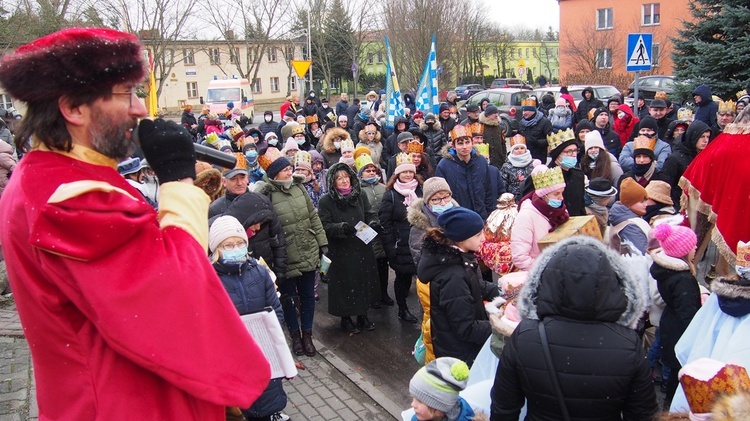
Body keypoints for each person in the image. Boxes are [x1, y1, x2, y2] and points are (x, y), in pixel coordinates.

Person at [0, 27, 271, 419]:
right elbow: (178, 294)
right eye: (126, 93)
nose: (141, 108)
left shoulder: (51, 177)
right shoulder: (70, 198)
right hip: (126, 404)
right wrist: (179, 181)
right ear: (73, 108)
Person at [491, 236, 657, 420]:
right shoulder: (628, 343)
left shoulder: (526, 336)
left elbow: (504, 408)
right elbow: (643, 414)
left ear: (546, 282)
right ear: (612, 285)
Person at [208, 216, 288, 421]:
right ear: (216, 248)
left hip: (263, 348)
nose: (236, 248)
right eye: (228, 244)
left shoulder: (260, 273)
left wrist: (272, 336)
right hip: (232, 354)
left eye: (240, 243)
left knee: (268, 393)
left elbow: (276, 308)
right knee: (242, 403)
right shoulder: (209, 280)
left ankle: (271, 414)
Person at [258, 147, 327, 357]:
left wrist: (322, 242)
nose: (290, 172)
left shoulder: (299, 188)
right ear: (274, 174)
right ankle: (295, 337)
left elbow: (312, 217)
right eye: (285, 170)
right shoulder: (267, 193)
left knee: (307, 296)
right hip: (285, 254)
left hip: (307, 249)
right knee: (288, 298)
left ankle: (307, 335)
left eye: (290, 168)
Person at [417, 207, 500, 365]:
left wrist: (503, 290)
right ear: (461, 238)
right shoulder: (453, 277)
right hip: (461, 356)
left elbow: (476, 286)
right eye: (478, 234)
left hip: (460, 349)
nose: (483, 238)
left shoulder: (457, 259)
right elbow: (466, 328)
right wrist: (500, 326)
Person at [317, 162, 381, 333]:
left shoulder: (359, 195)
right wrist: (340, 228)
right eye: (339, 178)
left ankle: (362, 314)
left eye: (346, 177)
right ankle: (345, 317)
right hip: (340, 248)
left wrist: (374, 222)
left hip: (361, 245)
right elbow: (324, 225)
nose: (344, 181)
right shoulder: (326, 201)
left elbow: (369, 213)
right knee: (343, 284)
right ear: (332, 182)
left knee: (362, 281)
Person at [408, 177, 459, 364]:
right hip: (434, 286)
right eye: (436, 200)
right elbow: (420, 260)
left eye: (446, 197)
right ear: (428, 201)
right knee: (435, 327)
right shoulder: (420, 226)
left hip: (458, 283)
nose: (442, 203)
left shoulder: (457, 217)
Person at [649, 223, 701, 407]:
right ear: (683, 251)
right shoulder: (683, 279)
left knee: (673, 370)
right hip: (679, 329)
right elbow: (688, 313)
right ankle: (672, 406)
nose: (695, 247)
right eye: (692, 245)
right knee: (678, 372)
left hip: (670, 323)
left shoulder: (668, 272)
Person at [380, 153, 423, 323]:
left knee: (423, 278)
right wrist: (391, 247)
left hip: (420, 242)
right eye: (404, 172)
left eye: (410, 172)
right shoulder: (391, 194)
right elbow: (385, 223)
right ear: (397, 174)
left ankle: (426, 308)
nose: (407, 175)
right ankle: (402, 309)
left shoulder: (420, 190)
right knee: (403, 279)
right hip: (401, 243)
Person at [510, 164, 569, 271]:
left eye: (562, 193)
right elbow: (520, 257)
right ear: (543, 195)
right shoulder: (526, 216)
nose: (561, 198)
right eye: (556, 194)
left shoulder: (561, 210)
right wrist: (547, 269)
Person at [356, 152, 393, 308]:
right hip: (367, 233)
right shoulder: (357, 190)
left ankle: (384, 293)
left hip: (383, 231)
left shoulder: (384, 188)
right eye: (367, 170)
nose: (371, 173)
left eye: (373, 170)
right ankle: (373, 295)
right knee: (370, 266)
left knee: (383, 265)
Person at [435, 125, 495, 219]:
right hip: (457, 217)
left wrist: (489, 214)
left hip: (481, 215)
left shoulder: (481, 161)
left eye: (467, 142)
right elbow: (440, 195)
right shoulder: (444, 166)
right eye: (460, 143)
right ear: (454, 146)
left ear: (472, 143)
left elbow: (488, 190)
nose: (464, 147)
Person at [658, 120, 711, 211]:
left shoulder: (706, 157)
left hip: (697, 206)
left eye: (708, 137)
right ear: (693, 137)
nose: (705, 140)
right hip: (678, 205)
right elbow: (665, 185)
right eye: (702, 137)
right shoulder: (675, 159)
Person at [409, 358, 485, 421]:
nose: (413, 404)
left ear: (438, 406)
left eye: (419, 401)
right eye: (414, 398)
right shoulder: (418, 418)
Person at [546, 128, 586, 216]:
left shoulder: (578, 175)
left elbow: (581, 205)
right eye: (568, 152)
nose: (574, 154)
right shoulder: (546, 176)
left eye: (575, 150)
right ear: (557, 154)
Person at [608, 178, 651, 255]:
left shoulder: (623, 216)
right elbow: (642, 253)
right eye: (641, 202)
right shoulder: (629, 225)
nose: (646, 204)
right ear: (629, 204)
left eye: (645, 200)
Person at [500, 135, 538, 202]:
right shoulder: (507, 166)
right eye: (516, 149)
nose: (519, 151)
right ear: (512, 150)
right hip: (513, 201)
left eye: (522, 148)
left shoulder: (534, 163)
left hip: (531, 199)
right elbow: (503, 185)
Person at [518, 98, 553, 162]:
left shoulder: (545, 122)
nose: (523, 113)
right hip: (524, 157)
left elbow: (551, 140)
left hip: (539, 156)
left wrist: (536, 142)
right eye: (523, 111)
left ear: (533, 111)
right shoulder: (521, 123)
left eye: (526, 111)